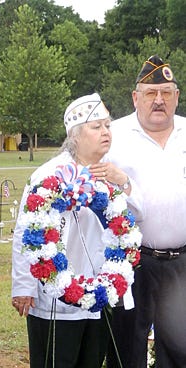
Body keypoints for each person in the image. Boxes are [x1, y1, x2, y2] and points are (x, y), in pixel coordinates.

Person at [11, 94, 139, 368]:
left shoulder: (110, 174)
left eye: (108, 126)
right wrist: (23, 285)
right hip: (54, 299)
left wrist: (124, 182)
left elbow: (130, 223)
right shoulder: (49, 176)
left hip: (99, 296)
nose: (106, 132)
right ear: (75, 135)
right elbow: (26, 232)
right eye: (97, 127)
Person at [105, 55, 186, 368]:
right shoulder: (112, 135)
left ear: (177, 97)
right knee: (128, 348)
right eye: (151, 93)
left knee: (180, 348)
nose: (159, 100)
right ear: (135, 97)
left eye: (166, 92)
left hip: (183, 263)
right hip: (133, 261)